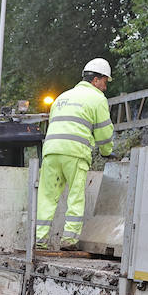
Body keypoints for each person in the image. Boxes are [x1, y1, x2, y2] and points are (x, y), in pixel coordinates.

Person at [36, 58, 115, 251]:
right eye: (105, 81)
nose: (105, 87)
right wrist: (108, 152)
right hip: (75, 152)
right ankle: (69, 240)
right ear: (96, 79)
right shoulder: (97, 99)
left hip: (51, 151)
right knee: (76, 195)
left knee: (47, 196)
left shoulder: (62, 97)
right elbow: (104, 132)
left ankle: (39, 240)